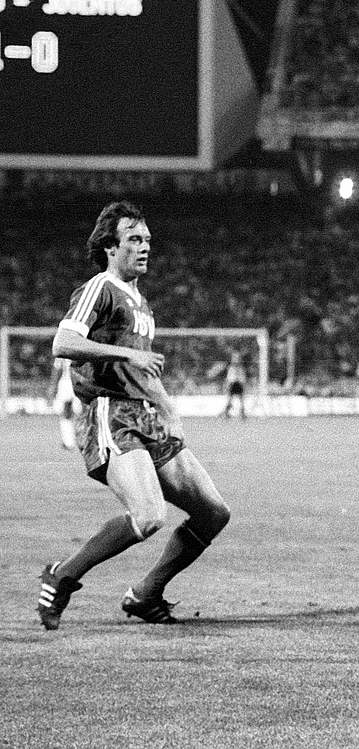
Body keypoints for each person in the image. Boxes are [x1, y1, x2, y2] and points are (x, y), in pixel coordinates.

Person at [38, 201, 232, 630]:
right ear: (111, 247)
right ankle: (63, 575)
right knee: (148, 516)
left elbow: (143, 369)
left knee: (214, 513)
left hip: (146, 416)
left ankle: (146, 594)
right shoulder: (100, 288)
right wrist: (126, 354)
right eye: (134, 239)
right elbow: (63, 343)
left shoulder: (141, 304)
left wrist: (169, 409)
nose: (145, 247)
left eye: (147, 239)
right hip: (110, 412)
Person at [49, 357, 79, 450]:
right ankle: (72, 441)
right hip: (79, 382)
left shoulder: (63, 352)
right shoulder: (83, 350)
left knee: (67, 413)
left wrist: (53, 386)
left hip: (67, 383)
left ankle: (69, 442)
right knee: (77, 413)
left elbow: (57, 369)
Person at [221, 350, 247, 420]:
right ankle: (226, 413)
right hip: (232, 383)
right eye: (235, 357)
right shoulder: (230, 367)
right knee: (230, 399)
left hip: (239, 383)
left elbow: (243, 377)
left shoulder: (241, 367)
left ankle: (242, 414)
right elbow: (228, 377)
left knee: (241, 399)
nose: (236, 359)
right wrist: (227, 385)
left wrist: (244, 384)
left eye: (237, 357)